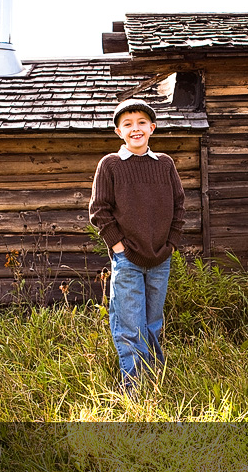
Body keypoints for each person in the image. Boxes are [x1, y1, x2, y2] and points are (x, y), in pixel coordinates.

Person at [89, 98, 186, 391]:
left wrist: (171, 244)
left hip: (161, 257)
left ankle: (154, 379)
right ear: (119, 131)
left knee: (153, 322)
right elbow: (99, 211)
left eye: (142, 123)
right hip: (127, 259)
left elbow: (179, 206)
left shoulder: (165, 164)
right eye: (128, 124)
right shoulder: (111, 165)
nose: (136, 129)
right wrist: (118, 248)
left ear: (152, 128)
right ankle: (134, 387)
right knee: (131, 325)